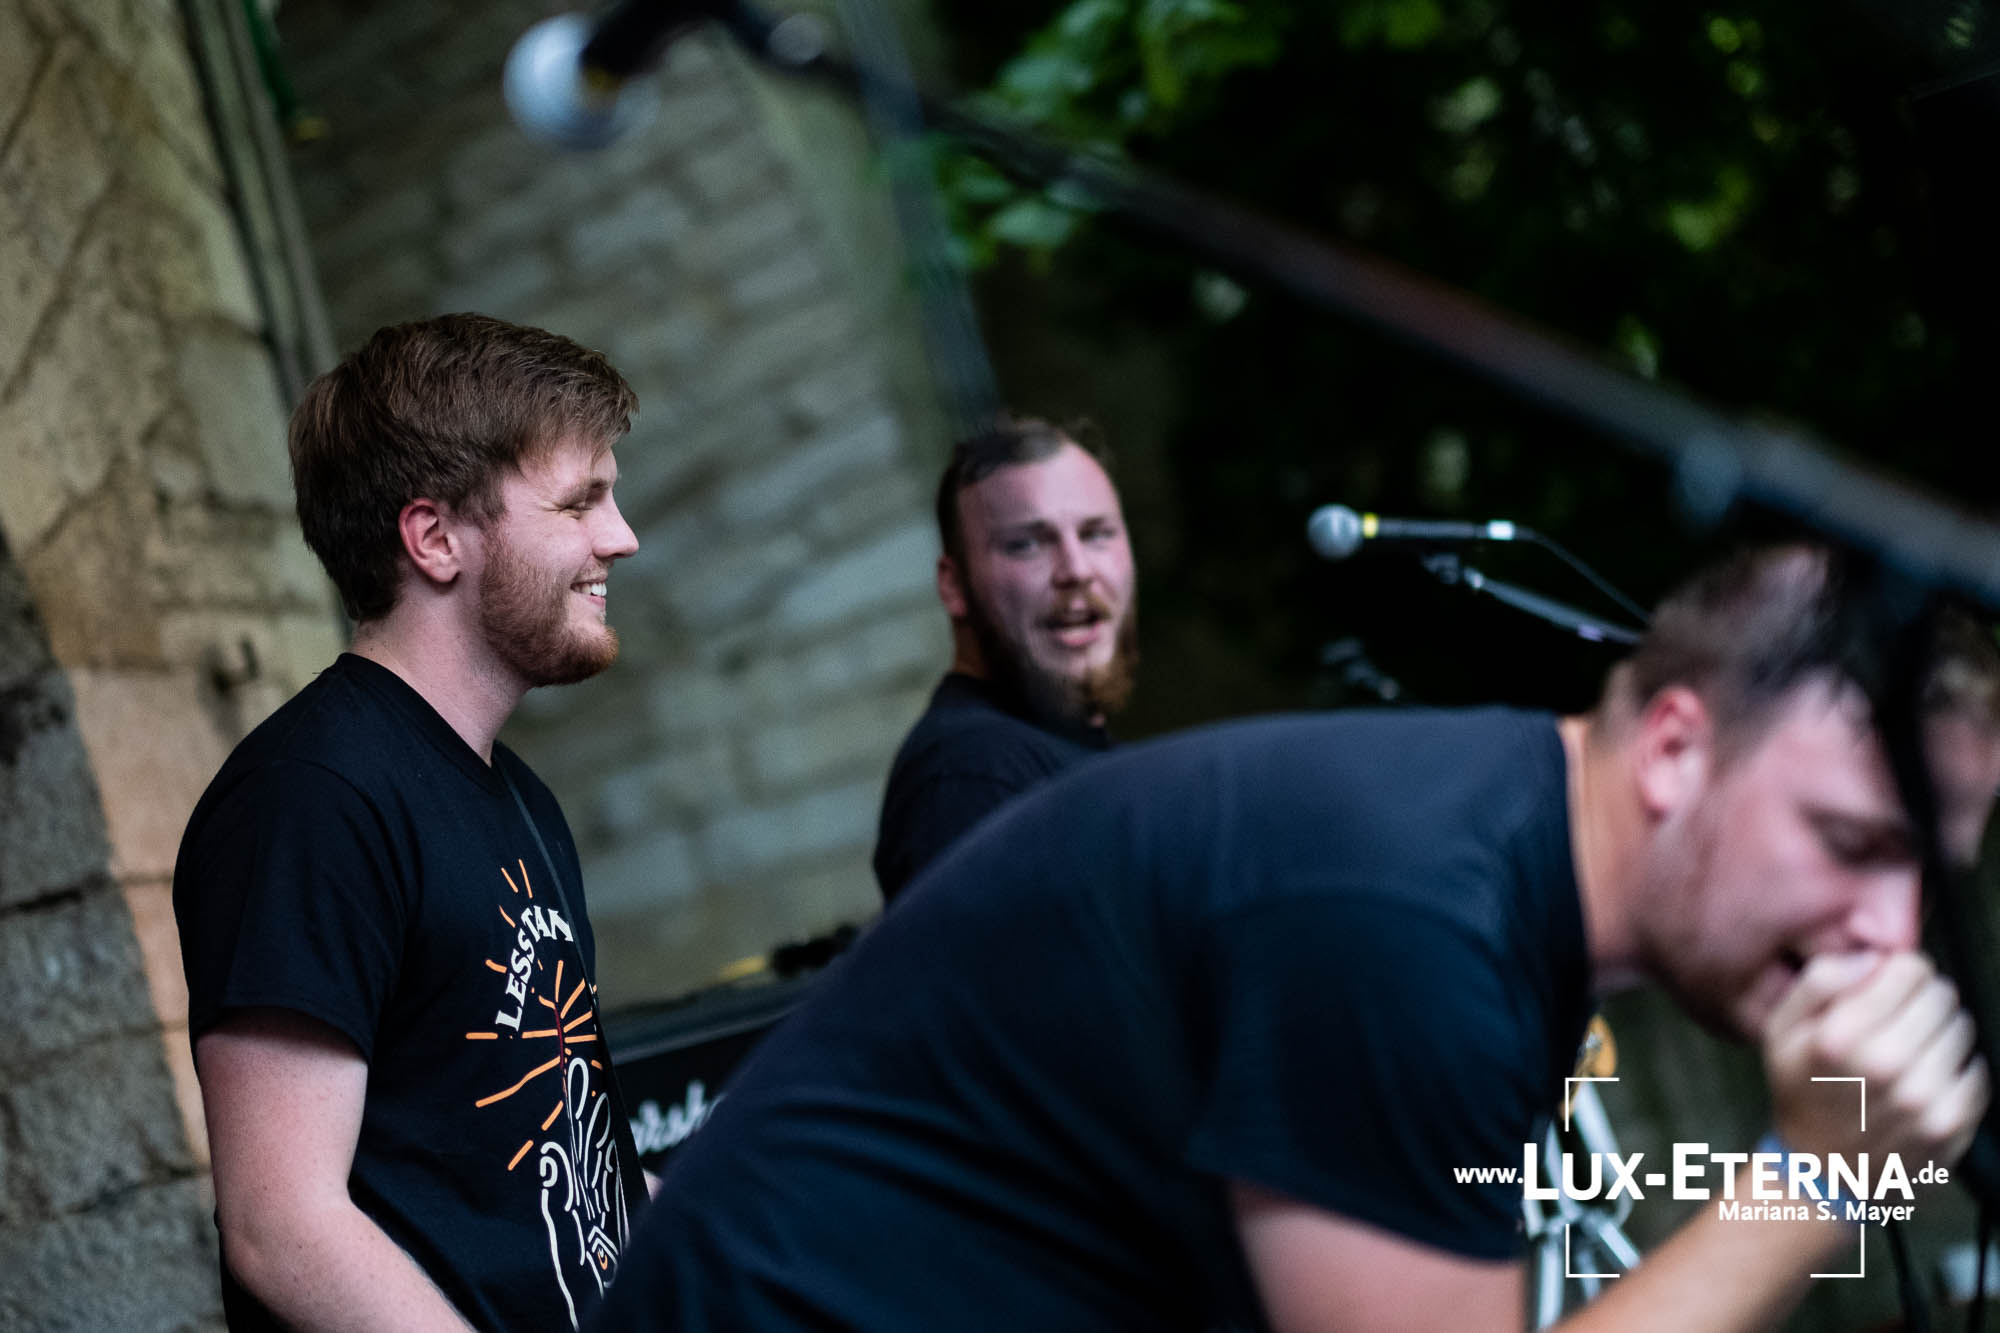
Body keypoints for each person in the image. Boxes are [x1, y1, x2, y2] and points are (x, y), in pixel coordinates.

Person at [587, 544, 2000, 1332]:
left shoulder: (1486, 856)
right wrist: (1821, 1174)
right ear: (1677, 748)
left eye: (1925, 877)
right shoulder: (1412, 916)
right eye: (1853, 842)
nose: (1891, 931)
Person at [173, 314, 649, 1332]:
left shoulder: (519, 795)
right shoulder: (310, 797)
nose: (621, 536)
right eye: (579, 502)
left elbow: (530, 1184)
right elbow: (282, 1225)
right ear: (434, 538)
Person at [873, 416, 1138, 901]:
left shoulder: (1066, 758)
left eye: (1096, 533)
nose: (1077, 570)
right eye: (1026, 544)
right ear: (954, 586)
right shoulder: (971, 775)